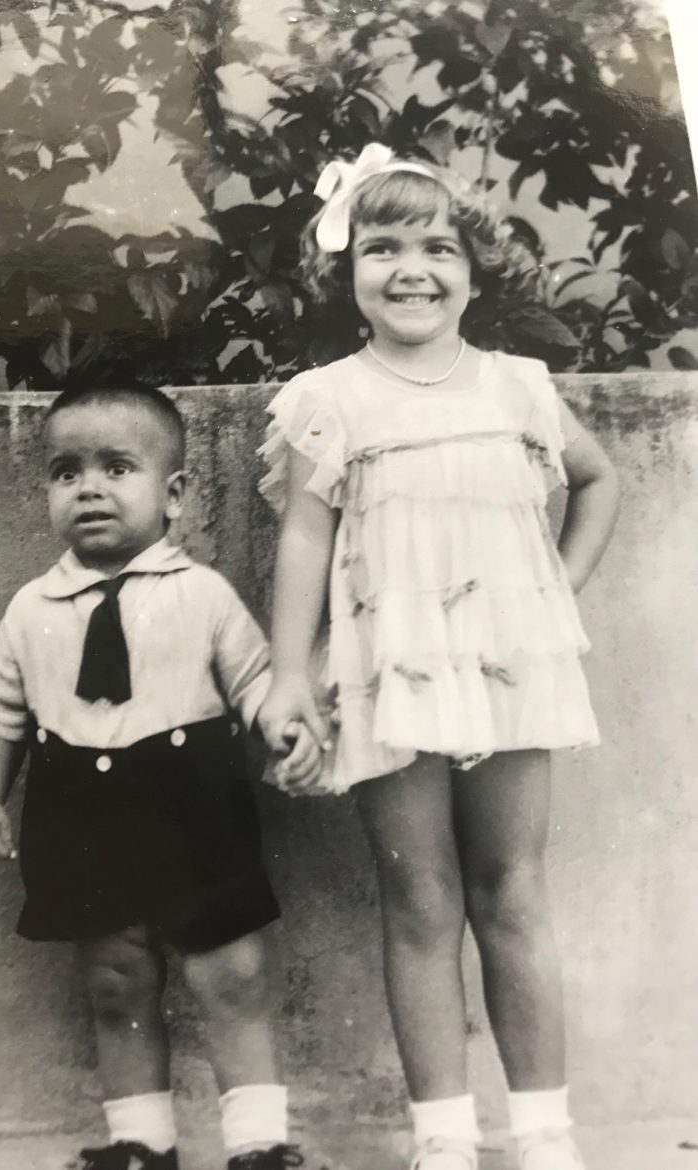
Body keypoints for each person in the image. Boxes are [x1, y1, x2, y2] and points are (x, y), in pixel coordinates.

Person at [258, 144, 620, 1170]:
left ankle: (544, 1133)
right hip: (392, 676)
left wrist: (551, 597)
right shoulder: (328, 397)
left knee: (511, 886)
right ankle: (443, 1140)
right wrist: (290, 674)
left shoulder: (516, 388)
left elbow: (594, 481)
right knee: (419, 898)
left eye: (436, 246)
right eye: (380, 247)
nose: (410, 268)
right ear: (345, 273)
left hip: (509, 668)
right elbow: (301, 537)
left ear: (474, 268)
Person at [0, 385, 319, 1170]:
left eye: (116, 467)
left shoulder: (203, 594)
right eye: (66, 472)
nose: (88, 487)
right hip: (79, 811)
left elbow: (256, 680)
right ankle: (140, 1144)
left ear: (176, 494)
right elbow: (0, 712)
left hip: (194, 804)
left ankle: (258, 1145)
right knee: (115, 979)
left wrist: (283, 727)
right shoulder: (30, 609)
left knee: (232, 971)